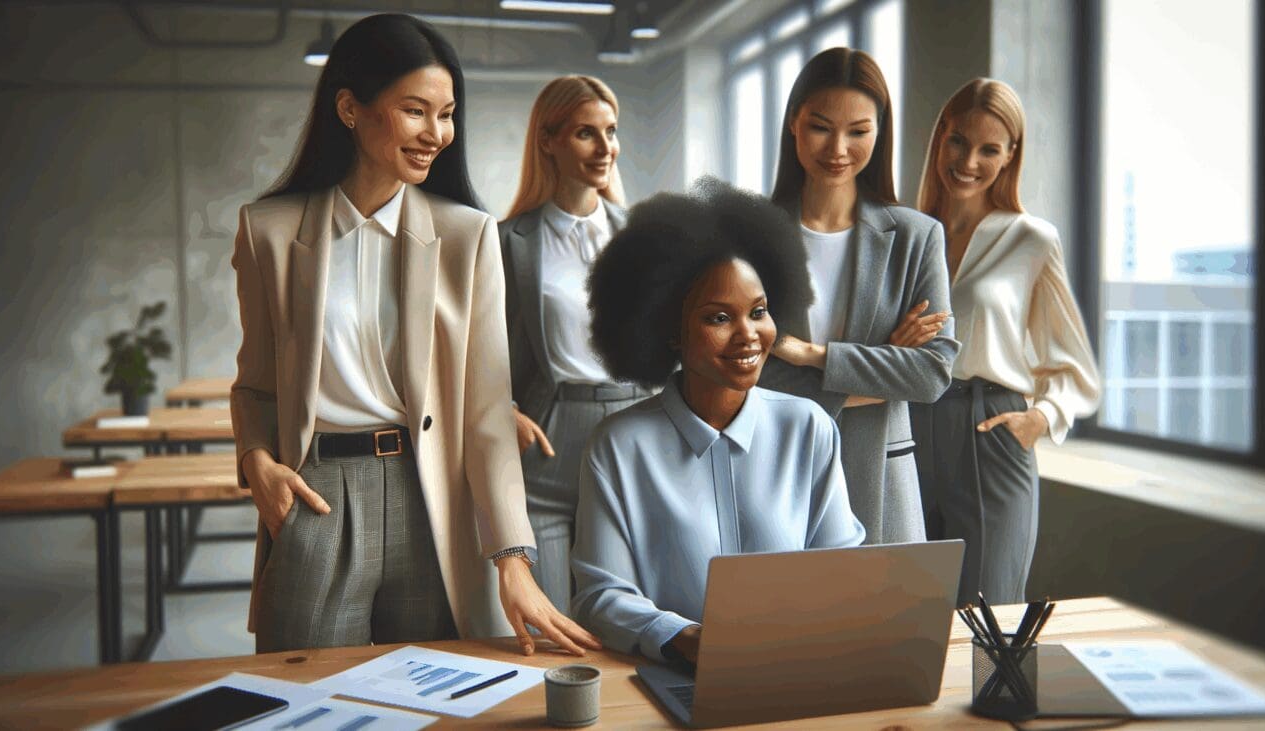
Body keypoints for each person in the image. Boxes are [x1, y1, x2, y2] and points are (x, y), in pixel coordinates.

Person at [230, 14, 599, 655]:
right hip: (317, 497)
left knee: (430, 697)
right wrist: (255, 462)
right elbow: (256, 386)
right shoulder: (270, 231)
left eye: (448, 114)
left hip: (430, 499)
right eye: (415, 111)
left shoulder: (467, 235)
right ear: (350, 108)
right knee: (306, 698)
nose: (437, 134)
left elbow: (486, 413)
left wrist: (513, 559)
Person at [571, 179, 867, 664]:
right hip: (670, 678)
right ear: (668, 329)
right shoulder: (619, 446)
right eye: (718, 318)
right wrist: (689, 640)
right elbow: (601, 595)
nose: (749, 336)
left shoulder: (809, 428)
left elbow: (843, 567)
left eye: (759, 312)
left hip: (797, 671)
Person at [911, 78, 1099, 604]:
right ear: (939, 138)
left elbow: (1072, 362)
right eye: (958, 141)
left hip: (989, 429)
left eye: (989, 149)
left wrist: (1040, 418)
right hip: (904, 428)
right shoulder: (905, 232)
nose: (969, 160)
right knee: (910, 613)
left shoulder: (1032, 239)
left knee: (990, 615)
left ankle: (991, 690)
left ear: (1010, 155)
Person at [761, 47, 959, 544]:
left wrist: (810, 355)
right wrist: (887, 362)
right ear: (793, 123)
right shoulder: (748, 234)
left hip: (882, 479)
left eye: (859, 130)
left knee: (891, 623)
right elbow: (740, 375)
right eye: (821, 126)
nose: (838, 148)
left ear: (880, 130)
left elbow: (932, 374)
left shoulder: (917, 237)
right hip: (772, 470)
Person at [499, 76, 651, 614]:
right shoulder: (505, 241)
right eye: (587, 133)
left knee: (624, 610)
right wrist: (501, 409)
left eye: (611, 131)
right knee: (550, 621)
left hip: (632, 430)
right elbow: (478, 350)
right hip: (549, 438)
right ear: (548, 140)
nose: (606, 147)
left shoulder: (644, 239)